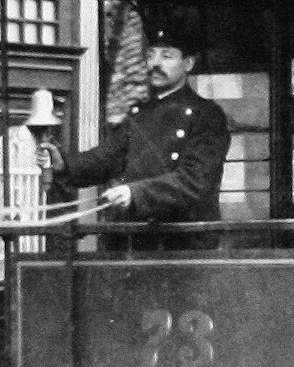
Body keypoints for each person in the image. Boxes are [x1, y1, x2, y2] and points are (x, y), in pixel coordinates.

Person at [37, 26, 231, 247]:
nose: (155, 63)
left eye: (166, 56)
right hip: (134, 239)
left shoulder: (206, 115)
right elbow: (108, 157)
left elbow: (195, 181)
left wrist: (135, 193)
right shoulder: (139, 113)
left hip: (183, 244)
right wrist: (65, 164)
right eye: (150, 55)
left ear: (188, 64)